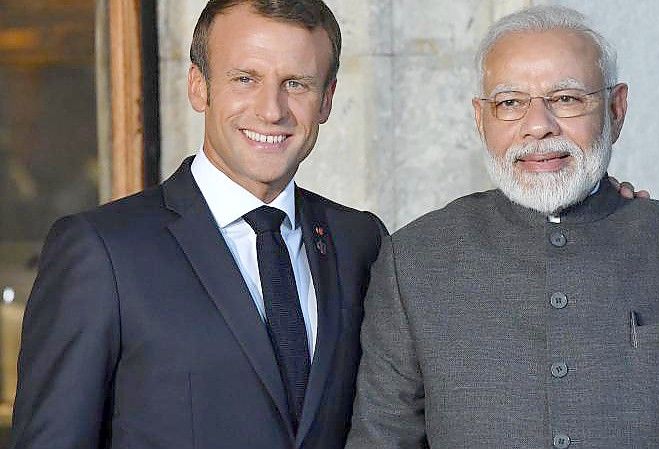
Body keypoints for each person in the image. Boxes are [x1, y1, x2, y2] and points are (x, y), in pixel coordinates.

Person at [345, 5, 659, 449]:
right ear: (480, 118)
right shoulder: (414, 258)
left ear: (616, 108)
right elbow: (383, 437)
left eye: (566, 99)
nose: (538, 127)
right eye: (510, 103)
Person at [10, 1, 387, 448]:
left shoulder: (358, 241)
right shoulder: (102, 250)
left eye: (296, 84)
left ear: (326, 100)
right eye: (245, 79)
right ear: (198, 87)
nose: (272, 110)